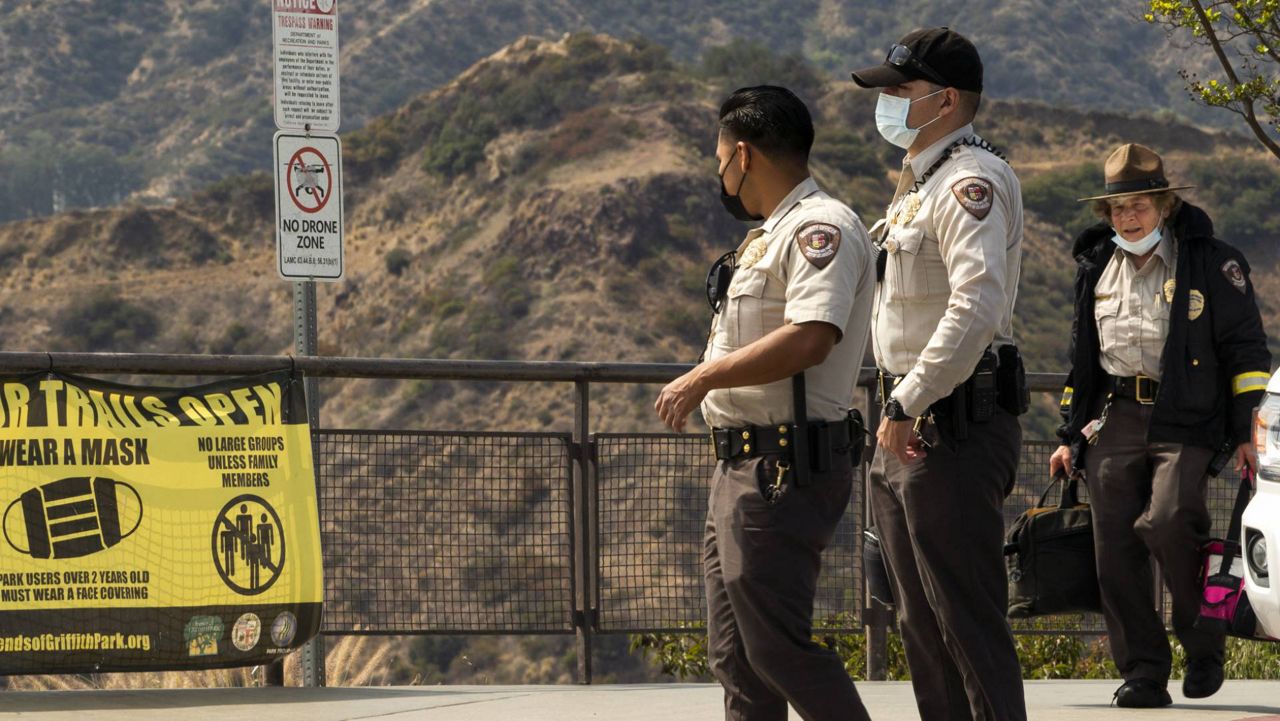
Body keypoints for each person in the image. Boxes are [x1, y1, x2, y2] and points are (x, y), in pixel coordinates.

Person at [654, 85, 875, 721]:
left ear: (743, 155)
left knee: (776, 649)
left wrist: (704, 376)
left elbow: (812, 337)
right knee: (736, 656)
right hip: (741, 467)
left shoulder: (819, 228)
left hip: (784, 465)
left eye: (719, 156)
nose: (718, 171)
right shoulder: (767, 236)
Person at [1050, 142, 1271, 707]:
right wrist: (1070, 435)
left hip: (1186, 418)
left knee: (1171, 522)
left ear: (1164, 205)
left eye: (1139, 206)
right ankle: (1144, 671)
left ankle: (1203, 644)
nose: (1128, 217)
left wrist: (1249, 428)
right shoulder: (1095, 265)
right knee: (1115, 549)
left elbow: (1247, 349)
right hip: (1115, 417)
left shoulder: (1210, 261)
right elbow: (1082, 356)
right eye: (1118, 209)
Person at [851, 26, 1028, 721]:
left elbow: (977, 303)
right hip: (908, 424)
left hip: (946, 424)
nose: (888, 103)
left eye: (901, 91)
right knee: (919, 623)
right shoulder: (919, 185)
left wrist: (906, 400)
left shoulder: (968, 182)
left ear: (947, 99)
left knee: (964, 621)